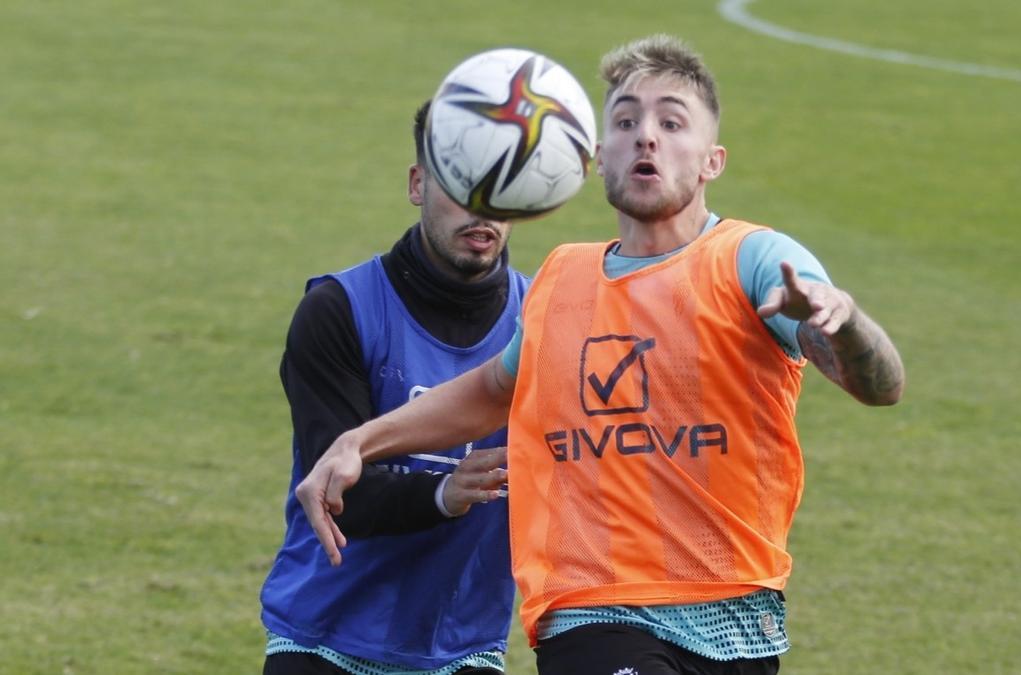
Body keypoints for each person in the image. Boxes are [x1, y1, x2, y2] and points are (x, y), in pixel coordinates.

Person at [297, 35, 906, 675]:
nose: (647, 136)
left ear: (712, 160)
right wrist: (360, 443)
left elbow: (879, 385)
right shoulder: (564, 277)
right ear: (592, 158)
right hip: (592, 610)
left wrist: (847, 325)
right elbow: (491, 391)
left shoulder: (750, 260)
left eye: (672, 122)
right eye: (625, 121)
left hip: (739, 613)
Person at [259, 99, 527, 675]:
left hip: (463, 646)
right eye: (461, 183)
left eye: (500, 188)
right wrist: (443, 493)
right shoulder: (338, 309)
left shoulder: (546, 319)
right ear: (417, 184)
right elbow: (337, 493)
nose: (482, 209)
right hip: (326, 638)